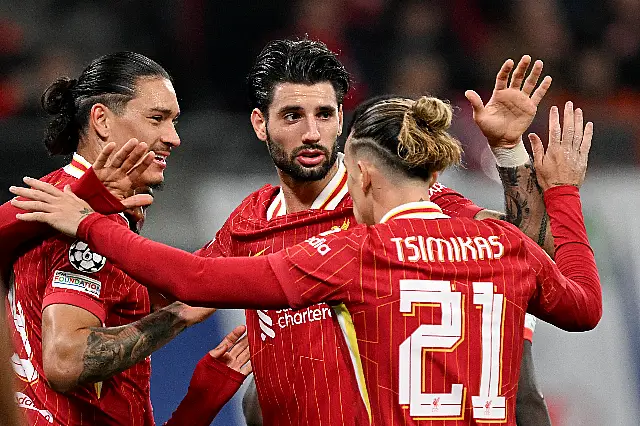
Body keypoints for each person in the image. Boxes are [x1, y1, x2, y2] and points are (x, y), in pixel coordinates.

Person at [7, 40, 556, 425]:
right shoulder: (248, 224)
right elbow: (181, 286)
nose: (312, 132)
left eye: (325, 113)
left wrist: (508, 154)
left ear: (343, 120)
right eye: (292, 115)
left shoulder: (401, 205)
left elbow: (527, 260)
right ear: (258, 124)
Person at [2, 52, 250, 425]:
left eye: (175, 120)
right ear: (101, 119)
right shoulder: (86, 220)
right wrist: (177, 315)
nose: (174, 138)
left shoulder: (66, 202)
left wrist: (203, 398)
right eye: (157, 119)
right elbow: (67, 360)